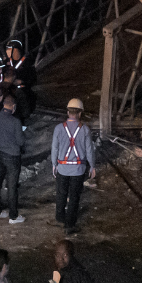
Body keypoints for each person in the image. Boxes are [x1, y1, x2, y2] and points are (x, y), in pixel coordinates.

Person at [49, 99, 97, 235]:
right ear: (80, 113)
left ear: (68, 112)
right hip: (78, 170)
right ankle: (69, 225)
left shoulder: (59, 128)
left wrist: (54, 164)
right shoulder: (85, 129)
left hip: (62, 169)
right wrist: (92, 166)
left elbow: (54, 148)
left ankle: (60, 218)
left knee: (61, 194)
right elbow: (89, 150)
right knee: (74, 197)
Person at [0, 95, 25, 224]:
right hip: (12, 156)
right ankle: (13, 216)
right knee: (11, 186)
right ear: (13, 106)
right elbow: (20, 142)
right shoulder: (15, 121)